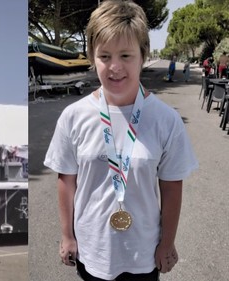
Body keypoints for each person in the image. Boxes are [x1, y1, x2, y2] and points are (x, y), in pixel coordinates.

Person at [43, 1, 199, 280]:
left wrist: (167, 243)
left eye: (126, 55)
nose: (115, 67)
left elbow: (172, 186)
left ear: (143, 55)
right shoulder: (73, 116)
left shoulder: (166, 120)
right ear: (92, 56)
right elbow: (66, 181)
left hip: (143, 254)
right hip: (92, 252)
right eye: (105, 56)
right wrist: (67, 236)